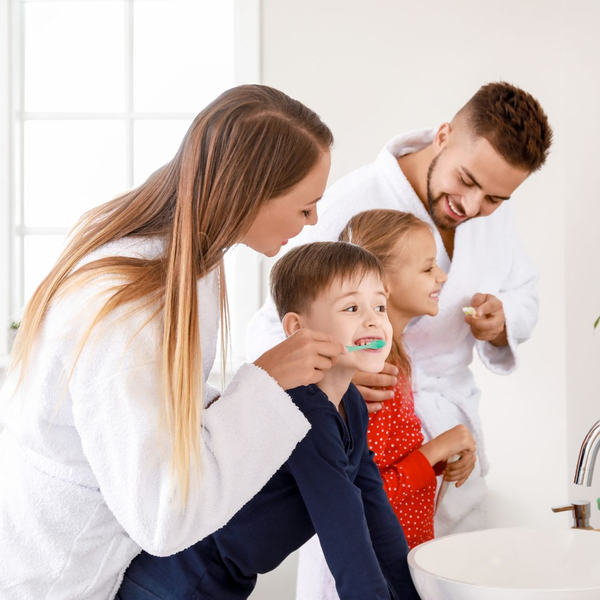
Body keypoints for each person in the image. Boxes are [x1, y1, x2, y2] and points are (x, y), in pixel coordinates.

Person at [0, 85, 345, 600]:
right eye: (307, 205)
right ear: (249, 193)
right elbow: (163, 514)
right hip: (66, 578)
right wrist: (266, 383)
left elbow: (156, 407)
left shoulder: (190, 257)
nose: (314, 220)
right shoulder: (125, 312)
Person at [247, 81, 553, 541]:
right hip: (370, 424)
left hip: (450, 434)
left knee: (453, 577)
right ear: (444, 135)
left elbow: (524, 290)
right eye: (467, 181)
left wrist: (503, 317)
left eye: (494, 199)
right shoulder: (351, 204)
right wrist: (337, 376)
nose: (473, 207)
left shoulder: (492, 209)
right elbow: (276, 325)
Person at [118, 241, 420, 600]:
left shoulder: (351, 405)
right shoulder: (305, 411)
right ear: (296, 327)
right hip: (178, 583)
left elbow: (373, 508)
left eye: (380, 306)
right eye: (352, 307)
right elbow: (346, 539)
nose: (372, 319)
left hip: (219, 580)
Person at [297, 209, 478, 600]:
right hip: (367, 574)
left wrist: (444, 458)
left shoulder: (393, 360)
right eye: (428, 268)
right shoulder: (374, 378)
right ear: (384, 282)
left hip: (396, 560)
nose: (442, 277)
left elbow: (390, 460)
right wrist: (439, 447)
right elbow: (367, 495)